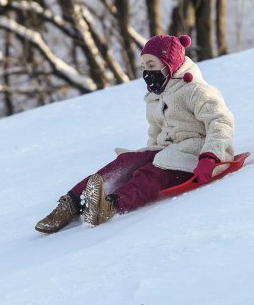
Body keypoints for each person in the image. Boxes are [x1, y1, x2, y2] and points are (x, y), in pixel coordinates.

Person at [35, 34, 235, 234]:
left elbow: (221, 122)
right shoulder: (155, 97)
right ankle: (69, 204)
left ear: (169, 63)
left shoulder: (196, 91)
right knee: (126, 163)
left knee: (150, 174)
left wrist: (210, 156)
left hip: (198, 155)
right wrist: (143, 158)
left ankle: (109, 206)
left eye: (151, 64)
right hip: (168, 150)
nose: (147, 72)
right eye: (143, 66)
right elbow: (155, 132)